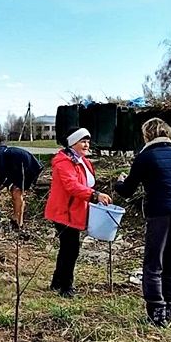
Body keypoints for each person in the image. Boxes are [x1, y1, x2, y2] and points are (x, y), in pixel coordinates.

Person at [114, 118, 171, 327]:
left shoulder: (145, 157)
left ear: (147, 135)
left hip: (160, 213)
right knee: (170, 261)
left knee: (153, 264)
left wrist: (118, 182)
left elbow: (127, 190)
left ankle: (157, 312)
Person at [44, 128, 112, 298]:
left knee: (67, 248)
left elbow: (85, 184)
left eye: (88, 141)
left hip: (75, 210)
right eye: (82, 141)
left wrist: (94, 194)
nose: (86, 144)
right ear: (72, 143)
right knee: (71, 249)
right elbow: (72, 186)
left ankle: (57, 282)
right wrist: (95, 196)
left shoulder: (83, 161)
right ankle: (66, 287)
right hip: (64, 211)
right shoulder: (64, 162)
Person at [0, 144, 42, 228]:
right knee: (14, 191)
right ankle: (18, 221)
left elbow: (2, 175)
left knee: (16, 191)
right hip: (21, 168)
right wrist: (4, 185)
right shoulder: (1, 154)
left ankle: (17, 220)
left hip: (29, 168)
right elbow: (10, 171)